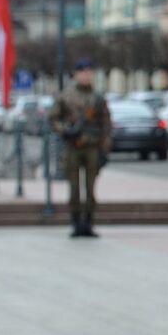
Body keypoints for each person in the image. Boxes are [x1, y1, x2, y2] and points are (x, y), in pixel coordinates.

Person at [49, 58, 111, 238]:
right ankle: (76, 223)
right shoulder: (66, 96)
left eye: (89, 72)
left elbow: (106, 125)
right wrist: (66, 131)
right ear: (77, 74)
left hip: (92, 146)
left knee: (90, 188)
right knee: (74, 187)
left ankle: (88, 223)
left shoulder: (97, 98)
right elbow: (54, 118)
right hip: (72, 147)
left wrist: (104, 150)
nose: (86, 75)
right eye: (83, 72)